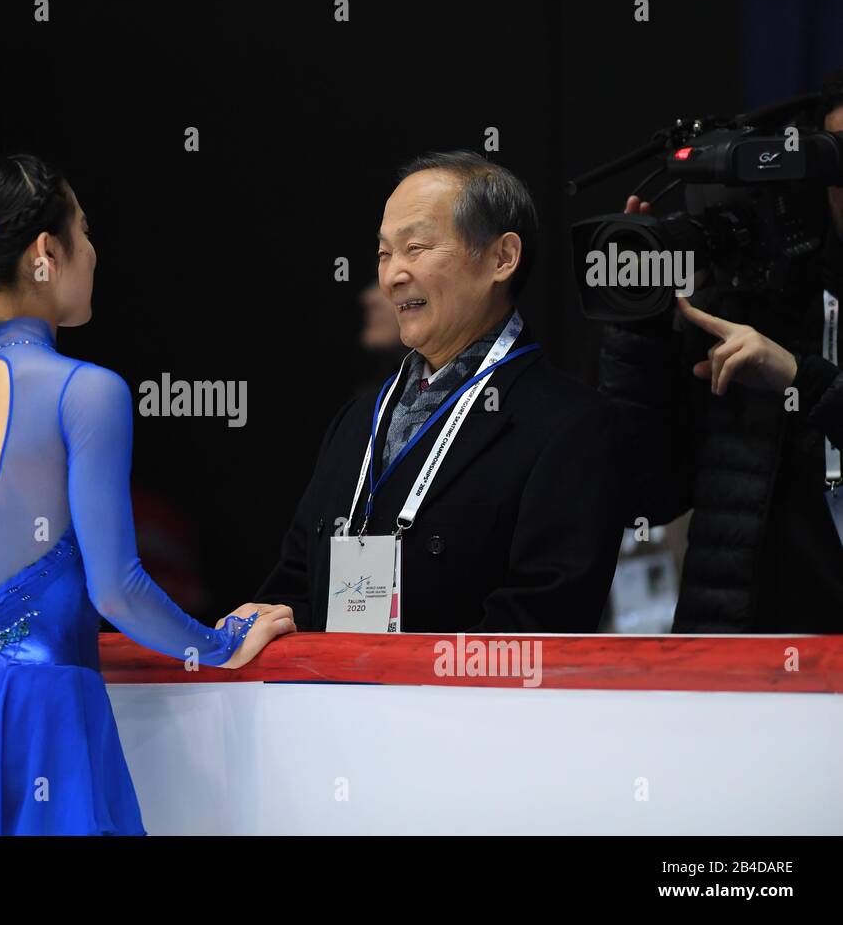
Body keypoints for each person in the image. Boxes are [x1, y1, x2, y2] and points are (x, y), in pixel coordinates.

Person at [0, 154, 295, 835]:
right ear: (48, 251)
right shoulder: (87, 391)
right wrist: (218, 644)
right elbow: (118, 590)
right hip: (41, 722)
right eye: (86, 230)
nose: (96, 251)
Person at [251, 151, 624, 633]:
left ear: (501, 258)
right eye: (385, 253)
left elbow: (543, 623)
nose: (392, 276)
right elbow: (294, 583)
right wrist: (271, 620)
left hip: (461, 707)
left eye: (417, 247)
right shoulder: (359, 418)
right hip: (332, 701)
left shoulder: (569, 424)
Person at [598, 70, 843, 633]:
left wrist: (797, 378)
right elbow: (646, 497)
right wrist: (645, 321)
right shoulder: (753, 304)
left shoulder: (770, 348)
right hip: (744, 660)